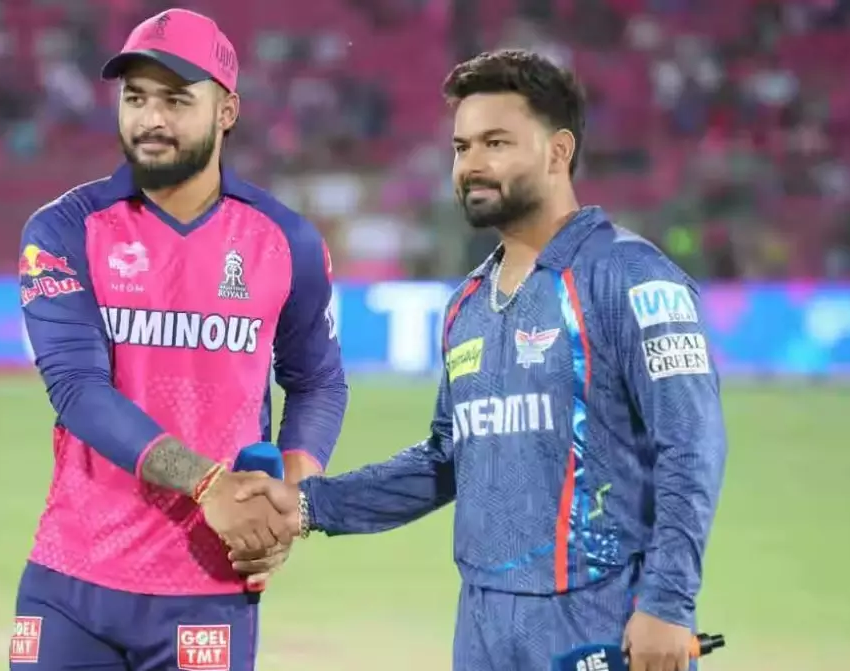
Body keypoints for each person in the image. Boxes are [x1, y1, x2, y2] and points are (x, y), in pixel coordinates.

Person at [230, 50, 728, 671]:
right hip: (484, 628)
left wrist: (670, 603)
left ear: (558, 151)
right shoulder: (467, 302)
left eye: (496, 142)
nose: (472, 165)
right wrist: (308, 506)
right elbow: (447, 459)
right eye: (462, 148)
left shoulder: (631, 277)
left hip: (602, 620)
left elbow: (691, 444)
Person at [10, 8, 347, 671]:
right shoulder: (63, 230)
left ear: (227, 110)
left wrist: (289, 504)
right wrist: (208, 485)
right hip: (71, 579)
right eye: (135, 98)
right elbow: (77, 390)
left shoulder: (285, 242)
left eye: (175, 99)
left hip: (206, 586)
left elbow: (315, 380)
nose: (149, 118)